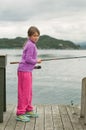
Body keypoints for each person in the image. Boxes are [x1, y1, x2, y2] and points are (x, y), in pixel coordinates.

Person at [16, 26, 42, 122]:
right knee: (24, 93)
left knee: (29, 92)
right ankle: (20, 113)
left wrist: (34, 64)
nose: (36, 37)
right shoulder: (31, 45)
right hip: (24, 71)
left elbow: (27, 60)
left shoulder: (30, 44)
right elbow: (28, 59)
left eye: (38, 36)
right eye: (34, 35)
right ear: (29, 36)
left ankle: (28, 109)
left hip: (27, 71)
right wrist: (37, 61)